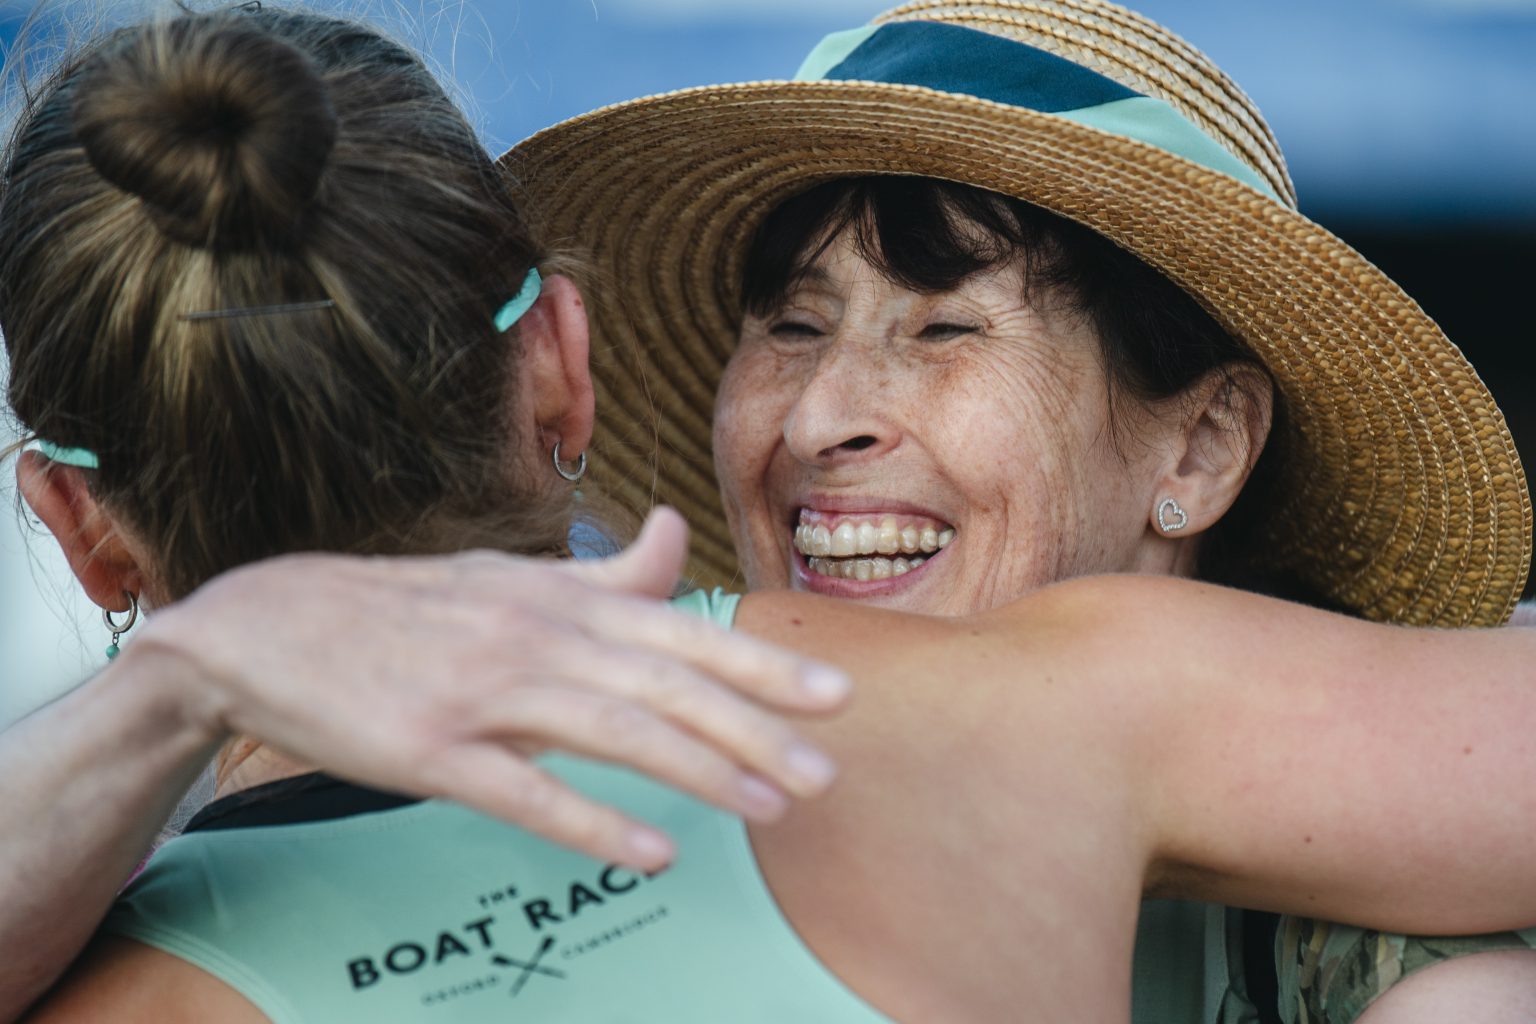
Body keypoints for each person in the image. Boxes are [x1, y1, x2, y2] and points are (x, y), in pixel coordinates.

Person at [5, 3, 1536, 1023]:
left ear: (76, 520)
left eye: (946, 329)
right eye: (791, 327)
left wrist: (173, 689)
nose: (821, 419)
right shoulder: (1033, 719)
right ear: (564, 373)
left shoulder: (98, 971)